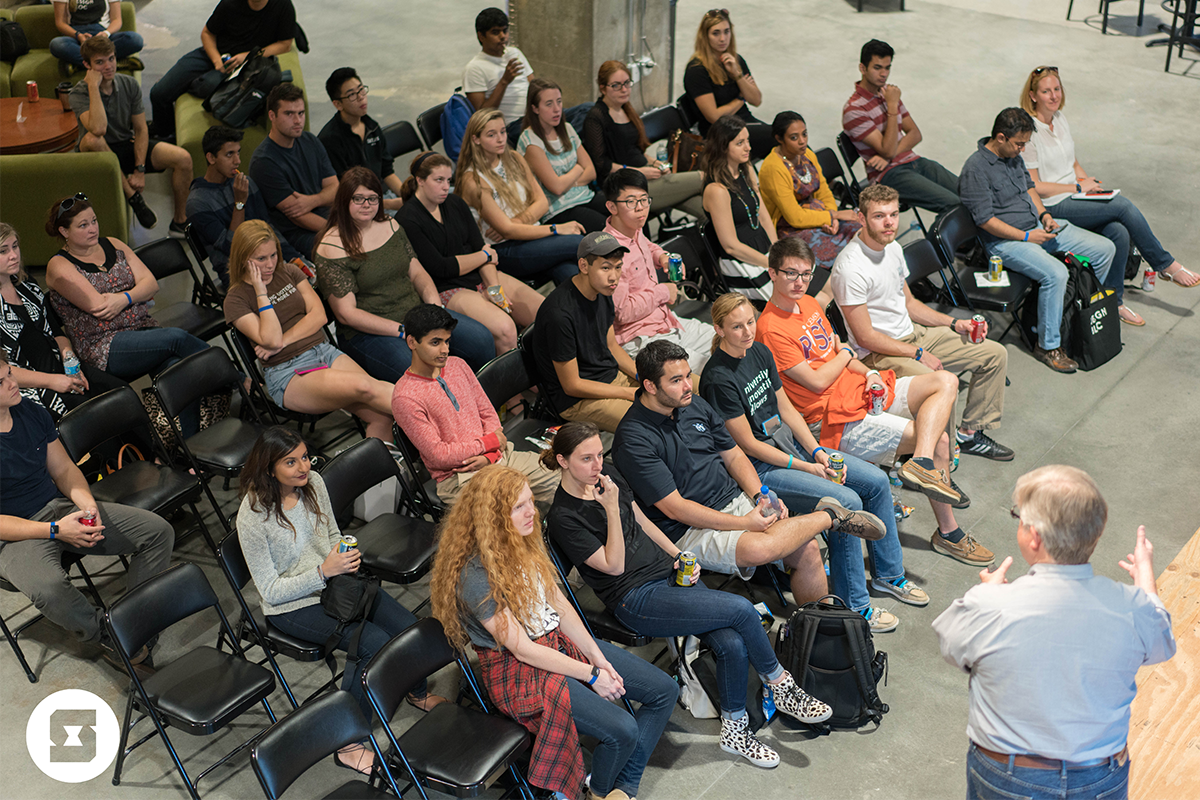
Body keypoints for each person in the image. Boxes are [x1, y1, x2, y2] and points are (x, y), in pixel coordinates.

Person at [544, 421, 835, 768]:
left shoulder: (606, 477)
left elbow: (641, 522)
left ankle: (735, 731)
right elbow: (614, 565)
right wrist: (609, 508)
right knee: (741, 610)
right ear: (562, 461)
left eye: (598, 456)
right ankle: (781, 685)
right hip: (635, 596)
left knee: (731, 641)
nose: (596, 465)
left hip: (666, 574)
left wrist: (677, 556)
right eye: (585, 459)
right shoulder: (563, 516)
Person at [429, 464, 678, 800]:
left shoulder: (523, 539)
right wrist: (591, 675)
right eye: (519, 507)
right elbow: (522, 650)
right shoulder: (475, 574)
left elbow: (559, 606)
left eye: (531, 501)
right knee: (622, 730)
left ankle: (622, 788)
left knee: (663, 690)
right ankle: (599, 792)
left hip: (555, 644)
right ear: (493, 517)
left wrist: (597, 656)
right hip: (518, 669)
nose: (532, 512)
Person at [933, 465, 1175, 800]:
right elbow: (1162, 639)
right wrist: (1145, 580)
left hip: (1008, 776)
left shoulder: (992, 606)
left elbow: (951, 646)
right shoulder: (1132, 609)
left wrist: (989, 592)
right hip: (1099, 777)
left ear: (1034, 537)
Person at [757, 238, 995, 567]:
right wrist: (845, 355)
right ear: (772, 273)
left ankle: (921, 463)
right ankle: (949, 533)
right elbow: (817, 380)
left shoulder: (809, 304)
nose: (799, 282)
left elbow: (841, 355)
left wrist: (867, 375)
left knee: (946, 381)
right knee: (938, 439)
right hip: (830, 417)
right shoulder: (770, 328)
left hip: (858, 388)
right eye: (790, 274)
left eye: (806, 274)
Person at [699, 293, 928, 631]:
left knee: (876, 483)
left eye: (750, 322)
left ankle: (889, 575)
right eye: (736, 327)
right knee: (845, 501)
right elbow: (746, 444)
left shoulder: (758, 351)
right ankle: (856, 606)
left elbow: (786, 408)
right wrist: (805, 465)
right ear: (719, 329)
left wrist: (817, 451)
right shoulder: (717, 378)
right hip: (763, 468)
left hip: (792, 447)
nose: (748, 331)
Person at [613, 339, 888, 609]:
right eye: (676, 380)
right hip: (687, 528)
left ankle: (817, 630)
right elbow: (675, 508)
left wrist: (760, 496)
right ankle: (829, 517)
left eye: (687, 376)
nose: (687, 386)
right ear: (649, 385)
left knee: (808, 550)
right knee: (761, 549)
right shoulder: (634, 438)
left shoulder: (692, 404)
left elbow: (733, 454)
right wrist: (742, 522)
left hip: (734, 499)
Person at [238, 427, 445, 774]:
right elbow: (270, 590)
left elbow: (332, 533)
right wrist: (322, 571)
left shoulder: (314, 483)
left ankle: (417, 691)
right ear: (268, 467)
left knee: (410, 630)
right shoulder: (254, 516)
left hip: (335, 582)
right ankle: (347, 743)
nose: (303, 467)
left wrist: (344, 556)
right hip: (292, 605)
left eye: (304, 457)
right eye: (291, 462)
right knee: (373, 645)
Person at [0, 349, 173, 676]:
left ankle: (135, 625)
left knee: (157, 532)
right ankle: (109, 636)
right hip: (16, 534)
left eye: (10, 372)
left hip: (60, 509)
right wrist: (55, 530)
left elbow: (64, 469)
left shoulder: (31, 412)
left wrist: (87, 503)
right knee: (48, 588)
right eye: (2, 380)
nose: (13, 382)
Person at [832, 184, 1014, 462]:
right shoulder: (850, 268)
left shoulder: (891, 247)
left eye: (894, 214)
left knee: (994, 354)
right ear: (861, 218)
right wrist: (918, 354)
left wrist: (954, 324)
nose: (890, 223)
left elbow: (910, 304)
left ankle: (968, 435)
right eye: (879, 216)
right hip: (879, 354)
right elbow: (865, 336)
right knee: (943, 384)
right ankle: (943, 462)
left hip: (914, 334)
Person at [1020, 65, 1199, 328]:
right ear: (1033, 95)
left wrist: (1087, 182)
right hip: (1053, 205)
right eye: (1046, 91)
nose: (1054, 95)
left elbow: (1072, 162)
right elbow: (1034, 185)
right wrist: (1077, 189)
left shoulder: (1059, 119)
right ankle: (1165, 265)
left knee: (1119, 232)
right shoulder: (1029, 131)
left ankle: (1113, 301)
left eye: (1057, 89)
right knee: (1123, 207)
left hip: (1075, 195)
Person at [958, 107, 1114, 374]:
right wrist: (1027, 237)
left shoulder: (1014, 156)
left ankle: (1071, 314)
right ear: (1000, 137)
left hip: (1036, 227)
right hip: (1005, 242)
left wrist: (1044, 215)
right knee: (1055, 272)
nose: (1022, 150)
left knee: (1104, 249)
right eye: (1019, 144)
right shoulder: (976, 169)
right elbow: (985, 221)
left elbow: (1029, 188)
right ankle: (1048, 345)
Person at [44, 195, 210, 436]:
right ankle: (232, 378)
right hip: (103, 345)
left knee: (178, 369)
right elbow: (98, 306)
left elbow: (151, 284)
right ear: (64, 231)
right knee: (177, 338)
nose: (93, 228)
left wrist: (124, 299)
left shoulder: (113, 243)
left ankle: (191, 444)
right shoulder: (58, 266)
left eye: (94, 220)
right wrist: (136, 295)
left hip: (143, 329)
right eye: (83, 225)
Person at [315, 167, 495, 381]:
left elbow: (417, 272)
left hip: (415, 314)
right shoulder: (331, 247)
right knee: (419, 368)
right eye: (358, 199)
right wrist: (402, 330)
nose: (367, 205)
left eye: (373, 198)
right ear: (344, 200)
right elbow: (347, 314)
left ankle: (481, 404)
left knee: (481, 340)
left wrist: (435, 309)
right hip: (370, 331)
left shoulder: (390, 225)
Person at [224, 220, 396, 441]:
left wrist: (282, 342)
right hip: (288, 372)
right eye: (261, 258)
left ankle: (390, 474)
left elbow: (319, 316)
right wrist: (260, 292)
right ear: (243, 259)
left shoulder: (289, 271)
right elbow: (271, 339)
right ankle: (437, 412)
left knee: (381, 416)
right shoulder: (236, 298)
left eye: (273, 255)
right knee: (366, 386)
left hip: (323, 351)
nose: (269, 264)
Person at [392, 304, 559, 510]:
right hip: (459, 478)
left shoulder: (457, 365)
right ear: (412, 342)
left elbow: (488, 413)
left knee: (566, 480)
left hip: (499, 455)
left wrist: (489, 454)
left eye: (447, 341)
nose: (444, 350)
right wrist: (489, 443)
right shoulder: (405, 397)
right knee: (511, 512)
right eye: (435, 342)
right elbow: (438, 455)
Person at [397, 151, 543, 360]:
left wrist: (493, 288)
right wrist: (483, 256)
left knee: (542, 310)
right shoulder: (408, 218)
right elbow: (442, 267)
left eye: (448, 180)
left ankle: (546, 374)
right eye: (438, 180)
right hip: (449, 288)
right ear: (420, 180)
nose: (446, 186)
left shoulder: (455, 203)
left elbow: (480, 246)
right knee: (505, 328)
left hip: (481, 274)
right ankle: (514, 392)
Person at [0, 223, 128, 419]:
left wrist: (69, 357)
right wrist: (53, 381)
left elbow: (55, 330)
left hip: (62, 368)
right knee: (95, 417)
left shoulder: (27, 285)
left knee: (121, 393)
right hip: (33, 388)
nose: (13, 255)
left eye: (15, 246)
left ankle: (150, 449)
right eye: (3, 251)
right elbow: (3, 371)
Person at [70, 36, 193, 234]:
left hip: (124, 144)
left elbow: (141, 129)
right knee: (94, 139)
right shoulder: (78, 93)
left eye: (111, 59)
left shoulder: (129, 84)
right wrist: (93, 86)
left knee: (183, 158)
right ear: (87, 65)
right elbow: (98, 129)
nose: (108, 66)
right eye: (99, 62)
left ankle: (180, 222)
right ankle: (134, 198)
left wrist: (139, 169)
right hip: (94, 153)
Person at [456, 108, 584, 286]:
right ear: (476, 139)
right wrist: (556, 228)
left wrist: (517, 221)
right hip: (505, 250)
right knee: (580, 243)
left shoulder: (514, 158)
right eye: (491, 135)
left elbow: (542, 202)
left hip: (533, 236)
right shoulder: (473, 180)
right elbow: (507, 232)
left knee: (573, 276)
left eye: (502, 132)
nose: (500, 139)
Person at [604, 169, 713, 372]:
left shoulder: (634, 228)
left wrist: (662, 257)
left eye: (644, 200)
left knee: (729, 342)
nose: (640, 208)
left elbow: (648, 246)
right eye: (631, 202)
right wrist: (663, 292)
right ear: (612, 207)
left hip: (667, 321)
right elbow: (623, 313)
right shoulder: (610, 254)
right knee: (710, 369)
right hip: (641, 338)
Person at [530, 232, 638, 433]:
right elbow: (572, 385)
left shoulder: (603, 290)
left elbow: (611, 346)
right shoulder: (559, 315)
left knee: (687, 388)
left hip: (611, 377)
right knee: (649, 422)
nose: (614, 276)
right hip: (577, 400)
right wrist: (627, 392)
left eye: (618, 267)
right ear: (584, 266)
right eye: (605, 268)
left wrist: (642, 375)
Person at [842, 39, 960, 215]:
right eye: (877, 67)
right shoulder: (854, 110)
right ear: (862, 68)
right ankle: (949, 242)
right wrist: (891, 106)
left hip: (913, 161)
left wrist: (888, 156)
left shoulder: (888, 94)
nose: (884, 74)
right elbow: (887, 149)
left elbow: (915, 134)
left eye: (887, 67)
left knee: (970, 193)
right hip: (888, 175)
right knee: (954, 205)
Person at [149, 0, 296, 138]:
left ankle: (169, 136)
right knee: (159, 93)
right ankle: (164, 134)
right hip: (214, 55)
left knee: (206, 86)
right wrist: (216, 60)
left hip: (245, 67)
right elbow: (207, 33)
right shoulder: (230, 3)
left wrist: (249, 56)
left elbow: (285, 44)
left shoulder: (283, 6)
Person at [582, 60, 706, 221]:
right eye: (616, 85)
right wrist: (638, 172)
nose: (624, 89)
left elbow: (635, 150)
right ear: (602, 88)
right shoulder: (596, 117)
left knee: (708, 208)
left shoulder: (626, 109)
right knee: (703, 177)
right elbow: (601, 164)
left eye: (627, 83)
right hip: (625, 185)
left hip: (645, 174)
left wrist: (656, 164)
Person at [187, 125, 303, 290]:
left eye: (238, 152)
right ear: (211, 158)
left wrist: (292, 256)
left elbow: (267, 228)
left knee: (312, 279)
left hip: (269, 263)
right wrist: (239, 204)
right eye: (229, 154)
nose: (238, 161)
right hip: (238, 275)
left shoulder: (245, 183)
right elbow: (232, 247)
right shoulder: (198, 203)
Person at [759, 111, 861, 272]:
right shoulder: (773, 168)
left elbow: (823, 191)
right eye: (794, 137)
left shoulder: (807, 155)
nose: (802, 141)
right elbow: (795, 218)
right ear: (779, 139)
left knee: (861, 230)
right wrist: (835, 215)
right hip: (789, 228)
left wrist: (831, 219)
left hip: (818, 214)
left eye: (804, 134)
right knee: (839, 253)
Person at [248, 83, 338, 258]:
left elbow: (335, 188)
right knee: (345, 248)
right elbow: (298, 216)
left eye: (301, 113)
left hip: (331, 218)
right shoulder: (264, 162)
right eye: (289, 114)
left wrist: (313, 201)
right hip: (300, 234)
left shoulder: (310, 140)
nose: (298, 121)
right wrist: (337, 231)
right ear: (272, 116)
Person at [518, 78, 608, 232]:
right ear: (535, 108)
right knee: (607, 228)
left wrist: (566, 181)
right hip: (559, 210)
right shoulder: (530, 141)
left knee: (627, 211)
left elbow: (591, 171)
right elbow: (557, 188)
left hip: (585, 196)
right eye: (549, 104)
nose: (557, 109)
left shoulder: (567, 128)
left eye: (559, 102)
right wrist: (578, 169)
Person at [702, 115, 776, 302]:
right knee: (813, 300)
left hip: (764, 249)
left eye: (748, 140)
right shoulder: (716, 190)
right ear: (723, 147)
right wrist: (770, 263)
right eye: (740, 143)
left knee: (827, 287)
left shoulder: (746, 168)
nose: (748, 148)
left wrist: (777, 250)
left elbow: (764, 216)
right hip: (742, 263)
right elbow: (731, 246)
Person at [683, 8, 773, 156]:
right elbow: (714, 117)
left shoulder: (736, 60)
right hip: (720, 133)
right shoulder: (696, 70)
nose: (723, 39)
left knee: (787, 135)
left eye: (726, 31)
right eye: (716, 33)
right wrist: (740, 98)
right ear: (705, 36)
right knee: (781, 138)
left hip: (746, 123)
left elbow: (756, 100)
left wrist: (737, 75)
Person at [318, 67, 404, 212]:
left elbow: (386, 171)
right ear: (338, 104)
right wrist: (388, 204)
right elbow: (344, 193)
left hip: (382, 196)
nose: (360, 98)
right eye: (351, 95)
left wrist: (407, 197)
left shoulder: (372, 127)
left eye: (361, 90)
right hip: (358, 208)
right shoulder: (330, 140)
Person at [463, 7, 533, 145]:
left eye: (505, 30)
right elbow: (483, 116)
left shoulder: (515, 53)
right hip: (509, 127)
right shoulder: (474, 68)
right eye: (495, 32)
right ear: (481, 36)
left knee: (586, 111)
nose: (503, 37)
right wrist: (504, 81)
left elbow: (535, 88)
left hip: (534, 117)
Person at [50, 0, 144, 68]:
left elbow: (116, 20)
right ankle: (111, 62)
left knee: (135, 39)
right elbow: (60, 23)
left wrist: (106, 34)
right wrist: (79, 36)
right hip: (76, 37)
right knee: (57, 44)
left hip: (102, 35)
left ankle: (82, 64)